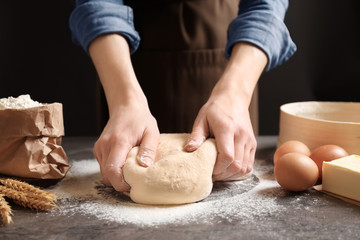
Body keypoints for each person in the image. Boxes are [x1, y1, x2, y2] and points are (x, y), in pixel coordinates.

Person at [69, 0, 296, 192]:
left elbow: (266, 4)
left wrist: (236, 92)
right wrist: (124, 100)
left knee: (227, 169)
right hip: (124, 60)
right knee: (123, 171)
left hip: (233, 57)